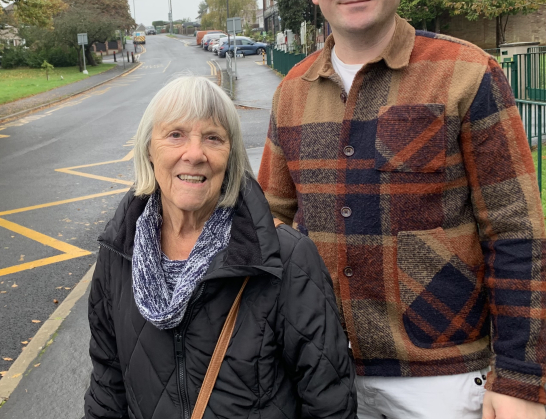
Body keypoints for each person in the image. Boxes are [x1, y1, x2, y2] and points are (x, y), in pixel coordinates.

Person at [257, 0, 546, 419]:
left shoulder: (467, 74)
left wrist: (522, 379)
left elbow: (518, 232)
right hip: (323, 372)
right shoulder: (293, 92)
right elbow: (267, 224)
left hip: (443, 376)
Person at [85, 76, 356, 419]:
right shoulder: (118, 252)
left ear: (230, 156)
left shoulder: (286, 257)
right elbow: (107, 383)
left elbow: (328, 398)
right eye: (175, 135)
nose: (194, 154)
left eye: (213, 138)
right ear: (149, 150)